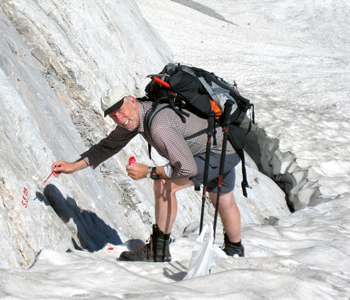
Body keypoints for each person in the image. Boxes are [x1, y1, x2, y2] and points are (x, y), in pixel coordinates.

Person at [51, 86, 244, 262]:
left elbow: (187, 168)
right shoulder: (140, 114)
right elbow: (108, 146)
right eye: (113, 116)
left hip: (217, 153)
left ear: (132, 101)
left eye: (120, 111)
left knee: (163, 184)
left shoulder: (158, 126)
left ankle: (158, 251)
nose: (119, 119)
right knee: (222, 198)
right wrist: (73, 166)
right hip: (226, 145)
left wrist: (149, 172)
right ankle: (235, 251)